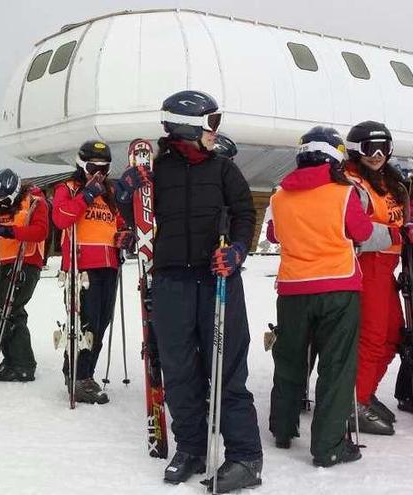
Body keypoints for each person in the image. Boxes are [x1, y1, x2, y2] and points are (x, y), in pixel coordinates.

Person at [117, 90, 262, 490]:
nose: (216, 132)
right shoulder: (156, 173)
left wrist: (236, 250)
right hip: (172, 282)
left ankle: (246, 457)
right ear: (187, 126)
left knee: (227, 369)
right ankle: (192, 448)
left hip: (218, 279)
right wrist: (125, 190)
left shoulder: (223, 170)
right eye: (210, 123)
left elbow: (245, 214)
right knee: (179, 370)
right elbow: (130, 218)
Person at [266, 126, 396, 468]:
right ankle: (329, 446)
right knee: (336, 367)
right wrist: (396, 233)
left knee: (291, 358)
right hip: (338, 289)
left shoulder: (279, 196)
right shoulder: (343, 194)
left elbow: (273, 234)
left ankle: (282, 427)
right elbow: (364, 233)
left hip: (293, 291)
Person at [345, 121, 413, 434]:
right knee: (372, 337)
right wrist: (397, 233)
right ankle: (352, 403)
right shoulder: (350, 181)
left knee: (392, 336)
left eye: (382, 148)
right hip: (366, 265)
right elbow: (352, 230)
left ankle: (363, 392)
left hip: (387, 268)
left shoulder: (391, 180)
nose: (376, 155)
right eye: (369, 148)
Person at [52, 140, 128, 404]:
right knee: (85, 324)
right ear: (81, 164)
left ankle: (85, 373)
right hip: (81, 265)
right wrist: (86, 195)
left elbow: (117, 222)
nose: (99, 174)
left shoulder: (107, 193)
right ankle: (78, 375)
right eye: (94, 167)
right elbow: (61, 218)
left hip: (109, 264)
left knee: (101, 323)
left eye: (104, 169)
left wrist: (124, 235)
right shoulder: (69, 188)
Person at [0, 168, 48, 381]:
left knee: (14, 309)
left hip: (27, 261)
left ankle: (24, 363)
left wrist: (8, 231)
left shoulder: (35, 201)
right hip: (7, 261)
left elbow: (40, 231)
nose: (2, 204)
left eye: (5, 199)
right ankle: (11, 358)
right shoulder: (2, 207)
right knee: (1, 312)